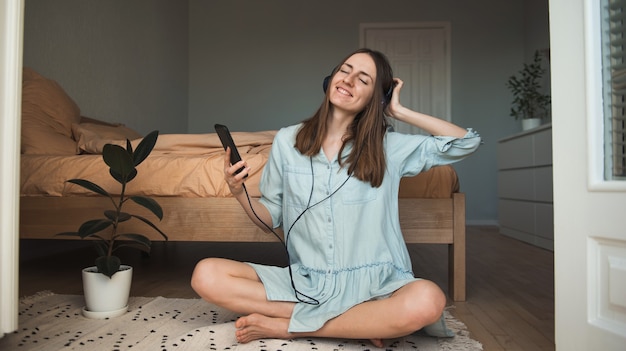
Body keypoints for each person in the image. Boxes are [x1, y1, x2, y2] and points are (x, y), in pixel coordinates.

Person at [191, 48, 481, 347]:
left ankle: (291, 327)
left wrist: (397, 111)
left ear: (376, 99)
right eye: (345, 70)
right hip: (307, 282)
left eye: (363, 79)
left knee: (428, 300)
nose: (349, 80)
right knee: (206, 275)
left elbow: (466, 143)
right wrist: (238, 192)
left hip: (376, 286)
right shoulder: (288, 141)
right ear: (330, 80)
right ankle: (362, 321)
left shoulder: (388, 146)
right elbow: (270, 218)